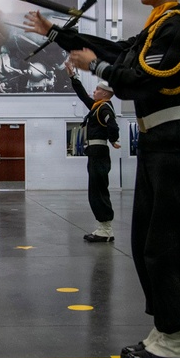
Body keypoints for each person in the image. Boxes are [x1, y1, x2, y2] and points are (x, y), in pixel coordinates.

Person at [25, 0, 180, 358]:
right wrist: (58, 34)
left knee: (169, 244)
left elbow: (148, 78)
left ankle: (178, 342)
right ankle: (166, 328)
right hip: (158, 143)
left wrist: (98, 65)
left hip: (175, 144)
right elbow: (116, 49)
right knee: (147, 242)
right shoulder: (156, 27)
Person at [64, 60, 121, 242]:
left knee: (98, 190)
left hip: (99, 152)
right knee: (96, 190)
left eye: (96, 90)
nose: (93, 92)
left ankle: (106, 229)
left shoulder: (104, 108)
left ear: (104, 93)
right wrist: (73, 76)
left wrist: (113, 139)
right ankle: (103, 228)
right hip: (95, 153)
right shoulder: (97, 107)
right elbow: (83, 95)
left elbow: (112, 123)